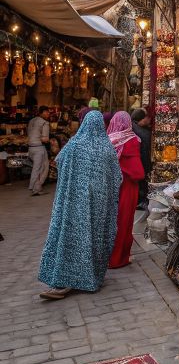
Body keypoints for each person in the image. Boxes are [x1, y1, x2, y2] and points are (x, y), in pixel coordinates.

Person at [38, 110, 121, 300]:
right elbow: (117, 177)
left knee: (71, 237)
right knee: (95, 236)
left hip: (73, 204)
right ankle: (91, 279)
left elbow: (58, 161)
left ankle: (64, 280)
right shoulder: (106, 148)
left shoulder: (75, 144)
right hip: (98, 206)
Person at [106, 110, 144, 268]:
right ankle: (118, 258)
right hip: (127, 187)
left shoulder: (108, 140)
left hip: (109, 187)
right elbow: (137, 172)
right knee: (124, 221)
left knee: (109, 221)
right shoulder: (132, 140)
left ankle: (106, 257)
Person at [131, 108, 152, 209]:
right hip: (140, 164)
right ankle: (141, 201)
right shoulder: (143, 133)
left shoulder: (132, 127)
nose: (149, 120)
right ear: (142, 119)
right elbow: (145, 154)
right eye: (147, 118)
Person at [27, 105, 50, 196]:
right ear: (42, 112)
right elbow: (45, 139)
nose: (48, 114)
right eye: (46, 112)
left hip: (31, 148)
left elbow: (30, 134)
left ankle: (37, 189)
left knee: (38, 168)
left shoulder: (31, 121)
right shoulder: (44, 123)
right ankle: (33, 187)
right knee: (42, 168)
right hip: (39, 148)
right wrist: (50, 140)